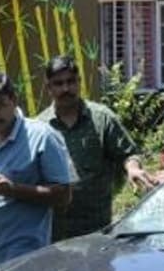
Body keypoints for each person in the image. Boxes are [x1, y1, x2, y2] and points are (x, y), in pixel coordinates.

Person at [0, 70, 73, 271]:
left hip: (26, 262)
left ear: (13, 100)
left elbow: (64, 195)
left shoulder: (41, 136)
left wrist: (14, 190)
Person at [38, 55, 155, 241]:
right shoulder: (40, 127)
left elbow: (128, 153)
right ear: (48, 87)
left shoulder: (102, 118)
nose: (65, 88)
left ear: (79, 82)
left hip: (98, 229)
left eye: (71, 81)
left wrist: (133, 168)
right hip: (55, 233)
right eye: (58, 83)